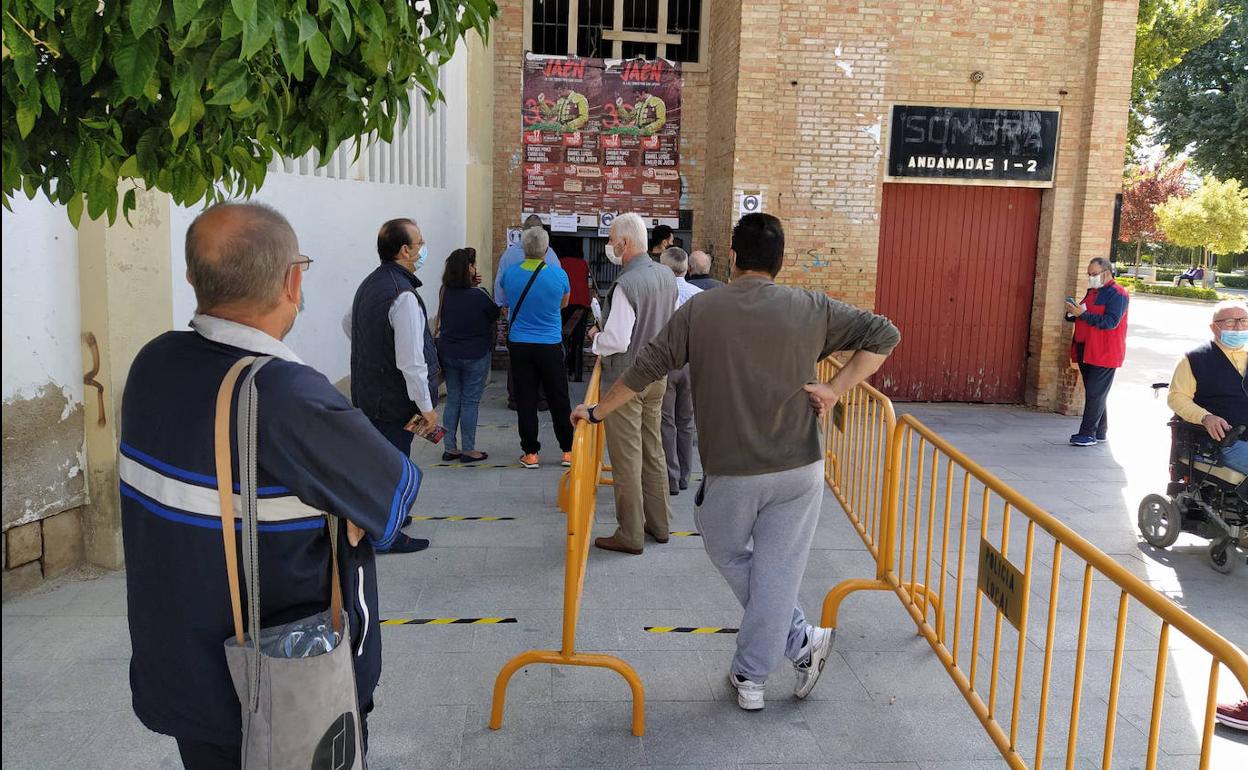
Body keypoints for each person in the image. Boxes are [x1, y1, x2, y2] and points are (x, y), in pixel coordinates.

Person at [121, 203, 416, 767]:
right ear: (293, 280)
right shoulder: (286, 395)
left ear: (193, 279)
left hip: (183, 669)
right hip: (280, 685)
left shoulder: (152, 363)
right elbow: (394, 496)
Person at [573, 212, 900, 711]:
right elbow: (884, 335)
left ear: (731, 256)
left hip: (732, 468)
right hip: (800, 465)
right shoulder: (808, 306)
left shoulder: (702, 310)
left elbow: (642, 369)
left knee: (730, 551)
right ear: (780, 259)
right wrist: (834, 389)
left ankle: (754, 674)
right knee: (777, 571)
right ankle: (795, 644)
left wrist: (595, 411)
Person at [346, 217, 440, 554]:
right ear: (405, 250)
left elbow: (350, 324)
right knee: (393, 467)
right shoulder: (403, 296)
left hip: (368, 394)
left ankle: (389, 516)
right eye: (420, 242)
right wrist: (427, 408)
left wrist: (376, 350)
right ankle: (385, 535)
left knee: (381, 461)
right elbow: (412, 362)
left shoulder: (370, 284)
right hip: (394, 400)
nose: (423, 247)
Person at [586, 212, 678, 554]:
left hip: (627, 379)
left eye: (611, 240)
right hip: (657, 375)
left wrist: (596, 337)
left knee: (626, 458)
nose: (609, 246)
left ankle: (630, 533)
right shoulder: (665, 275)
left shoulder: (626, 284)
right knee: (652, 450)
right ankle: (660, 524)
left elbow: (617, 340)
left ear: (624, 243)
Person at [499, 226, 575, 468]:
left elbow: (507, 301)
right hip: (550, 343)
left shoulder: (510, 273)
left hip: (520, 343)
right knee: (558, 397)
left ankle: (530, 452)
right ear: (546, 249)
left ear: (523, 248)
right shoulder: (559, 275)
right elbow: (564, 304)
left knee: (526, 398)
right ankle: (568, 450)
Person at [1167, 301, 1248, 473]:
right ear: (1214, 328)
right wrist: (1205, 417)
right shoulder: (1195, 359)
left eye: (1244, 321)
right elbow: (1176, 397)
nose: (1238, 327)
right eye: (1230, 322)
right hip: (1223, 442)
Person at [436, 247, 500, 463]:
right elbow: (494, 313)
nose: (475, 268)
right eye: (472, 265)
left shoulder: (444, 290)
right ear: (468, 270)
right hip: (475, 354)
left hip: (449, 352)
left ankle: (450, 448)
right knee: (470, 401)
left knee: (453, 398)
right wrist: (476, 286)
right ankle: (469, 449)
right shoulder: (479, 295)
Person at [496, 215, 559, 410]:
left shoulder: (509, 255)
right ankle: (541, 399)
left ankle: (516, 399)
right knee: (543, 364)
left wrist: (504, 309)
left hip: (518, 321)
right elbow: (560, 289)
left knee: (517, 363)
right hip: (545, 323)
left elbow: (500, 288)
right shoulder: (551, 256)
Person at [1065, 258, 1129, 447]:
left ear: (1107, 273)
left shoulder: (1118, 294)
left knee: (1094, 392)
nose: (1091, 278)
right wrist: (1073, 313)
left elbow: (1110, 322)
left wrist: (1082, 314)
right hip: (1085, 349)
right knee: (1096, 393)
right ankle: (1100, 431)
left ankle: (1087, 434)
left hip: (1105, 352)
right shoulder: (1092, 291)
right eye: (1089, 274)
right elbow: (1084, 313)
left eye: (1094, 274)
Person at [658, 246, 702, 494]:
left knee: (666, 422)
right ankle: (686, 475)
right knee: (686, 421)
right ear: (687, 268)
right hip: (691, 363)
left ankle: (671, 477)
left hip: (665, 362)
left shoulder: (659, 293)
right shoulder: (698, 294)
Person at [560, 250, 592, 382]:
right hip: (581, 306)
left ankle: (565, 371)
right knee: (578, 342)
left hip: (565, 304)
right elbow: (588, 284)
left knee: (564, 339)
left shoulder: (559, 263)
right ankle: (578, 374)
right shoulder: (584, 264)